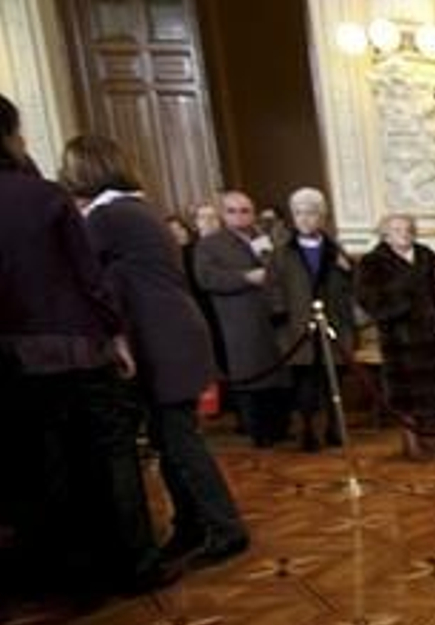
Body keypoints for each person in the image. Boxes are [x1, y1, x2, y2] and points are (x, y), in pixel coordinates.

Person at [0, 95, 173, 597]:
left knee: (37, 468)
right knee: (110, 458)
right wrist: (116, 336)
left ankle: (65, 578)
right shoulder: (42, 197)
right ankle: (136, 566)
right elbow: (88, 279)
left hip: (11, 365)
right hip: (77, 348)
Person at [58, 134, 248, 567]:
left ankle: (225, 528)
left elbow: (85, 277)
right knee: (170, 437)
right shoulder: (136, 210)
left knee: (180, 441)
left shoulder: (108, 217)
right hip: (175, 331)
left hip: (163, 338)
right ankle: (192, 525)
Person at [356, 213, 435, 459]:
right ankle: (410, 444)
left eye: (407, 228)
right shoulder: (373, 262)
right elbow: (368, 299)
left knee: (429, 393)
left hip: (428, 334)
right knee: (405, 395)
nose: (404, 232)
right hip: (398, 336)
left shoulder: (425, 255)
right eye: (396, 228)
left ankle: (425, 439)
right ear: (385, 234)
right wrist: (408, 293)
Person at [194, 190, 290, 447]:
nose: (239, 216)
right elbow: (206, 278)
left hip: (274, 317)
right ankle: (258, 432)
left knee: (276, 375)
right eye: (232, 211)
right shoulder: (210, 244)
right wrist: (245, 277)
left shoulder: (264, 238)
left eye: (245, 210)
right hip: (239, 317)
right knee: (250, 375)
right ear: (223, 215)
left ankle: (280, 427)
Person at [268, 186, 355, 452]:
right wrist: (281, 316)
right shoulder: (282, 253)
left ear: (322, 217)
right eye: (299, 213)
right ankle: (307, 430)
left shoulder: (334, 250)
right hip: (298, 329)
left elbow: (350, 286)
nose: (305, 219)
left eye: (311, 213)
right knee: (306, 385)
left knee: (334, 382)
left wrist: (348, 270)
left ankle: (334, 428)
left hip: (333, 326)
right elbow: (273, 287)